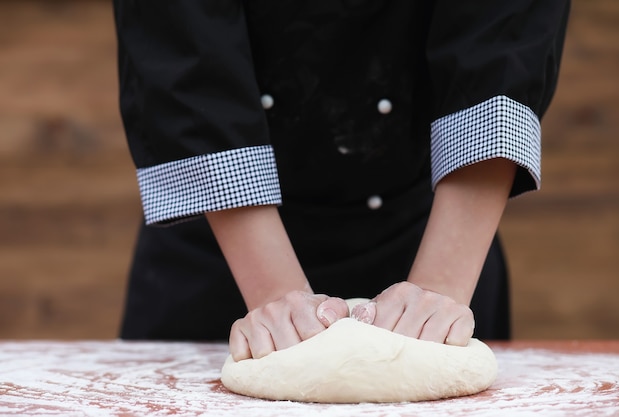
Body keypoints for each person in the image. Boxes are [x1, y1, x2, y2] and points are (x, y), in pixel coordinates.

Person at [113, 1, 570, 361]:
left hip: (438, 232)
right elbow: (179, 35)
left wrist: (439, 289)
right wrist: (276, 299)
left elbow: (505, 30)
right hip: (219, 247)